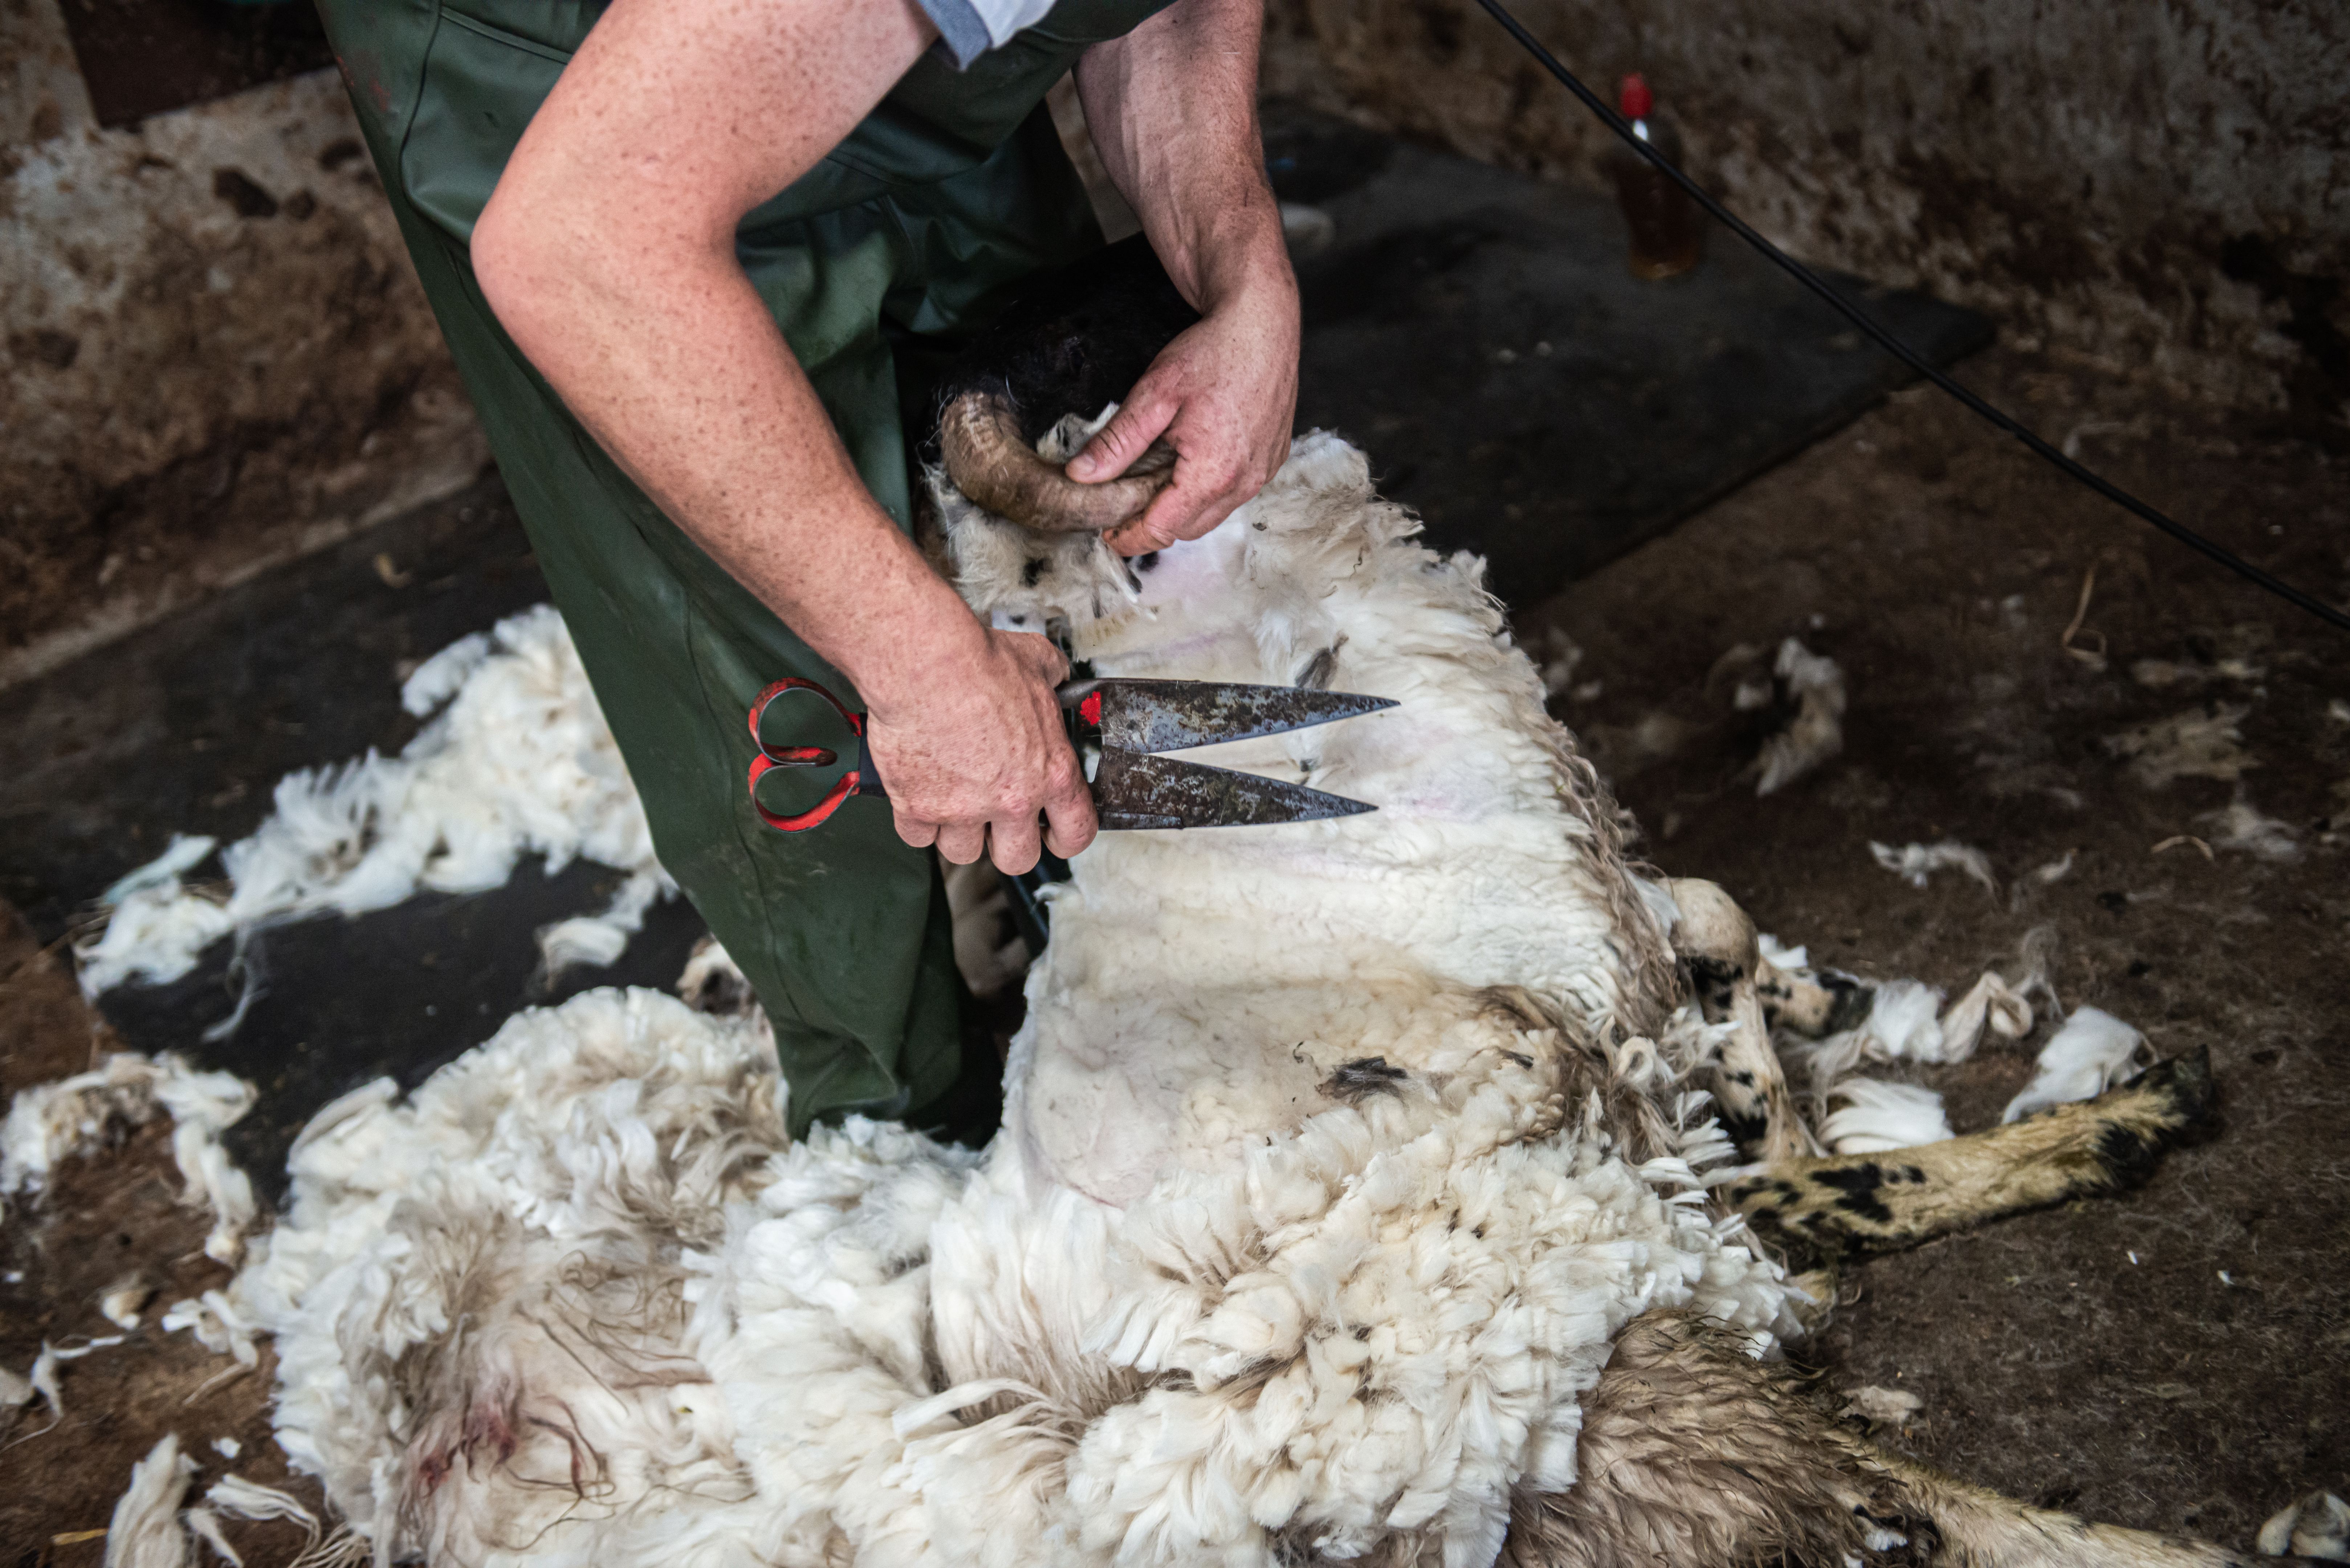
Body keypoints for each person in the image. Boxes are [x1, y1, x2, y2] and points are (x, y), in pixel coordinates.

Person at [311, 0, 1300, 1138]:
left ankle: (1109, 994)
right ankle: (892, 1141)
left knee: (1057, 492)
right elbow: (576, 247)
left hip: (873, 54)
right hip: (556, 96)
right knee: (795, 689)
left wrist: (1244, 274)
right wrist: (923, 667)